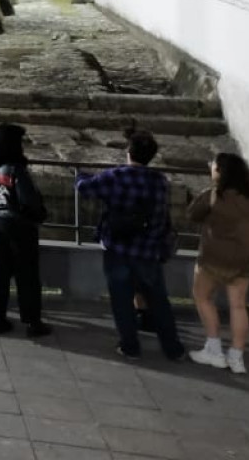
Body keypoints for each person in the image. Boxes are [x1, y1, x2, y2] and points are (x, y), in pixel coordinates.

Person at [76, 131, 184, 361]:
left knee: (121, 301)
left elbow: (85, 189)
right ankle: (173, 348)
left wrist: (79, 175)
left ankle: (130, 346)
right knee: (159, 301)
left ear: (128, 152)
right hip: (148, 250)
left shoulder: (116, 176)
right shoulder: (160, 181)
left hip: (119, 248)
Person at [188, 152, 249, 374]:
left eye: (213, 167)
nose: (211, 169)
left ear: (221, 172)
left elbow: (192, 214)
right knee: (238, 305)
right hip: (245, 258)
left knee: (202, 297)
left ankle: (213, 349)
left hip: (214, 257)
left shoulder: (213, 195)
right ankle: (237, 357)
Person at [0, 123, 52, 337]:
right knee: (27, 275)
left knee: (0, 272)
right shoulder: (15, 169)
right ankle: (32, 321)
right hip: (19, 226)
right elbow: (28, 200)